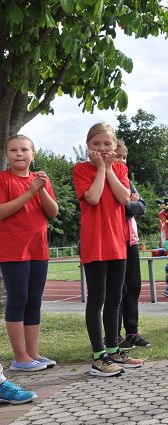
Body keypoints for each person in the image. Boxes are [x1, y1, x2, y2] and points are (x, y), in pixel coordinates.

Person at [73, 123, 143, 377]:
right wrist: (101, 168)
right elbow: (92, 198)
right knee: (97, 300)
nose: (102, 148)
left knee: (115, 299)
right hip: (94, 242)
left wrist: (110, 168)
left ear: (115, 146)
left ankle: (113, 349)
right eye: (96, 144)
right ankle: (98, 356)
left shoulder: (121, 168)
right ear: (88, 146)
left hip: (117, 242)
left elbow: (125, 199)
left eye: (107, 143)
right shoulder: (81, 169)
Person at [0, 135, 58, 372]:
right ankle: (20, 358)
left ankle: (33, 353)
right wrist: (29, 192)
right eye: (13, 150)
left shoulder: (40, 180)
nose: (19, 153)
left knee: (34, 300)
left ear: (33, 154)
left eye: (24, 149)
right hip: (13, 250)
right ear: (7, 155)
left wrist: (41, 190)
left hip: (38, 248)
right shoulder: (3, 179)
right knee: (18, 299)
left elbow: (52, 211)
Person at [114, 140, 150, 349]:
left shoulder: (127, 180)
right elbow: (115, 207)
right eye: (118, 156)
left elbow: (142, 206)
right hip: (114, 240)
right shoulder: (106, 178)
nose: (122, 160)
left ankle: (132, 332)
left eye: (124, 157)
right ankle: (114, 334)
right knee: (119, 289)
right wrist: (129, 202)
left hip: (131, 240)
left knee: (134, 285)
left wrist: (128, 203)